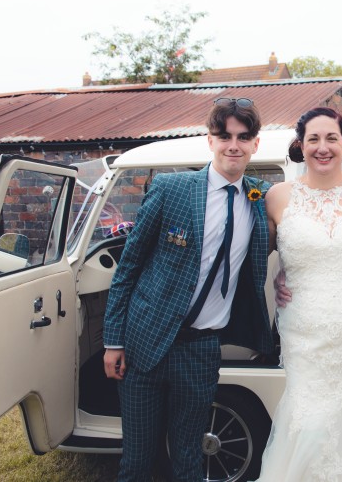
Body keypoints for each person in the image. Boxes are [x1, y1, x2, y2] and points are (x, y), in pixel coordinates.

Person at [102, 97, 274, 481]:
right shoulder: (172, 189)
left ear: (255, 144)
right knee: (136, 462)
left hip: (201, 350)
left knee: (190, 461)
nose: (234, 145)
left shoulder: (261, 199)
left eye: (243, 137)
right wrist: (114, 341)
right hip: (143, 344)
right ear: (209, 140)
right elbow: (127, 269)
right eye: (224, 135)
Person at [254, 107, 342, 482]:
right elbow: (254, 252)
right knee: (308, 416)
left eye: (331, 138)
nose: (323, 147)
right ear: (301, 146)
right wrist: (272, 280)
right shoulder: (278, 197)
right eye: (313, 139)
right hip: (305, 329)